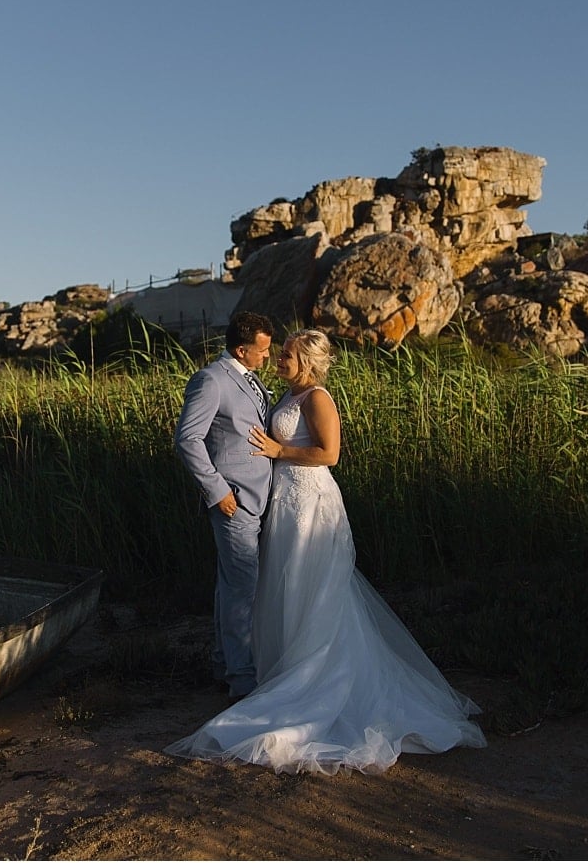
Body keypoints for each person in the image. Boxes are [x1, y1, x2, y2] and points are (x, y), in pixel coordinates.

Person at [167, 329, 485, 774]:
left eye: (287, 355)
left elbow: (329, 454)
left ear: (307, 361)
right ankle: (280, 668)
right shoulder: (287, 394)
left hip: (310, 501)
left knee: (312, 584)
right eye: (279, 353)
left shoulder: (318, 397)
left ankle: (313, 674)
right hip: (283, 500)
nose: (279, 360)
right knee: (284, 583)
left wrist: (280, 450)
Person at [173, 311, 277, 700]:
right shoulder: (211, 380)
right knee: (241, 592)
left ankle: (225, 665)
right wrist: (217, 490)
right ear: (241, 349)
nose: (267, 356)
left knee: (231, 587)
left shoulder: (249, 377)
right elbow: (188, 439)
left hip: (256, 496)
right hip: (234, 500)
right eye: (262, 350)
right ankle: (242, 683)